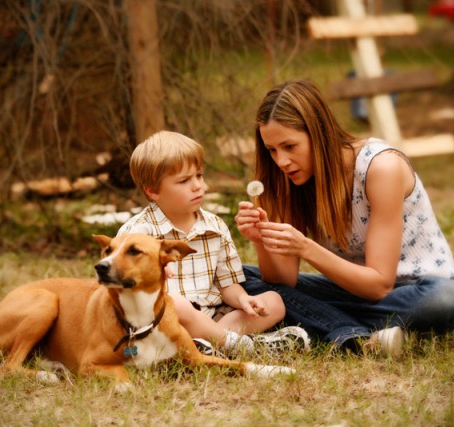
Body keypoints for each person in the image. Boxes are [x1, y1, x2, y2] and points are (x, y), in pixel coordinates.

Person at [234, 79, 454, 357]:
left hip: (410, 293)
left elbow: (380, 285)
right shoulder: (289, 179)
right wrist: (261, 240)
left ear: (319, 133)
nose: (281, 161)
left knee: (445, 300)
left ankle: (323, 324)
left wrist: (306, 248)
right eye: (272, 150)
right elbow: (281, 281)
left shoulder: (381, 167)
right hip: (349, 291)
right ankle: (355, 335)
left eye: (289, 146)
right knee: (241, 277)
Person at [117, 130, 310, 357]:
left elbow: (227, 284)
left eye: (199, 175)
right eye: (184, 181)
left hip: (212, 316)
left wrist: (243, 299)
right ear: (152, 191)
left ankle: (204, 346)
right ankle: (239, 346)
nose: (197, 185)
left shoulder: (215, 226)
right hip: (162, 322)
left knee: (274, 302)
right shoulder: (138, 234)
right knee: (174, 303)